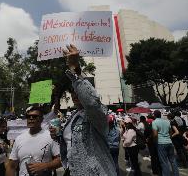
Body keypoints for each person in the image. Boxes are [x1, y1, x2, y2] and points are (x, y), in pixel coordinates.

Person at [49, 44, 117, 176]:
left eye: (78, 91)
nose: (75, 94)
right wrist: (58, 136)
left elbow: (90, 103)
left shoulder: (97, 113)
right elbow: (71, 143)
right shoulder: (73, 116)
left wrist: (75, 69)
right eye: (73, 92)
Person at [6, 106, 61, 176]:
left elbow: (60, 160)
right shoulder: (19, 138)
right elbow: (11, 166)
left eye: (35, 116)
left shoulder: (50, 136)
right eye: (28, 116)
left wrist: (45, 166)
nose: (31, 118)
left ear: (41, 119)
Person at [152, 110, 179, 176]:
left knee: (164, 162)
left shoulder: (154, 122)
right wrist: (168, 138)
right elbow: (170, 132)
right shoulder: (167, 121)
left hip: (161, 143)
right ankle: (176, 174)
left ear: (154, 115)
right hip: (169, 142)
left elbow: (155, 135)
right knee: (173, 160)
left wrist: (154, 141)